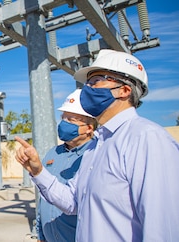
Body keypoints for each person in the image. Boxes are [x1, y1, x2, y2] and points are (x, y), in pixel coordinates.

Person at [15, 49, 179, 242]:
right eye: (87, 83)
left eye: (96, 81)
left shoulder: (147, 139)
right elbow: (72, 202)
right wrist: (38, 171)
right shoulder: (96, 147)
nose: (87, 89)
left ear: (124, 90)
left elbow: (163, 227)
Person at [35, 89, 97, 242]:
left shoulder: (96, 154)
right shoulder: (52, 154)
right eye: (64, 118)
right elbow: (43, 198)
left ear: (89, 127)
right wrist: (39, 234)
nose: (64, 123)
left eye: (71, 120)